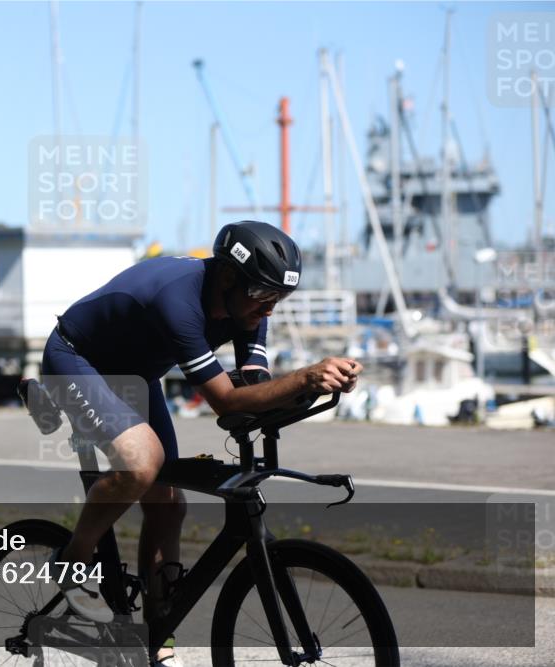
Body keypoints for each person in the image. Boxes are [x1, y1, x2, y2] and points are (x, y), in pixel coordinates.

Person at [39, 220, 362, 667]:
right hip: (76, 359)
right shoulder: (179, 300)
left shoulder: (248, 306)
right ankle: (72, 562)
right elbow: (225, 401)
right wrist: (305, 374)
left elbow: (251, 393)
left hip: (136, 376)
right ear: (229, 277)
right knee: (142, 464)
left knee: (169, 504)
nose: (269, 310)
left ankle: (155, 636)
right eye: (264, 295)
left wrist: (316, 388)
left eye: (279, 299)